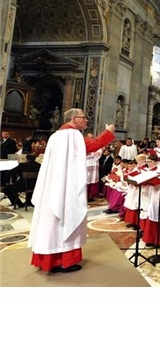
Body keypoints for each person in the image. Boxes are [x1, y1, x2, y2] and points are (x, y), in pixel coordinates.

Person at [28, 108, 115, 273]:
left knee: (51, 223)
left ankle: (47, 259)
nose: (87, 120)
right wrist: (108, 132)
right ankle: (63, 260)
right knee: (65, 219)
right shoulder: (72, 135)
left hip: (53, 186)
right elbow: (93, 145)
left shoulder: (55, 136)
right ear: (74, 119)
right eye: (84, 117)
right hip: (65, 187)